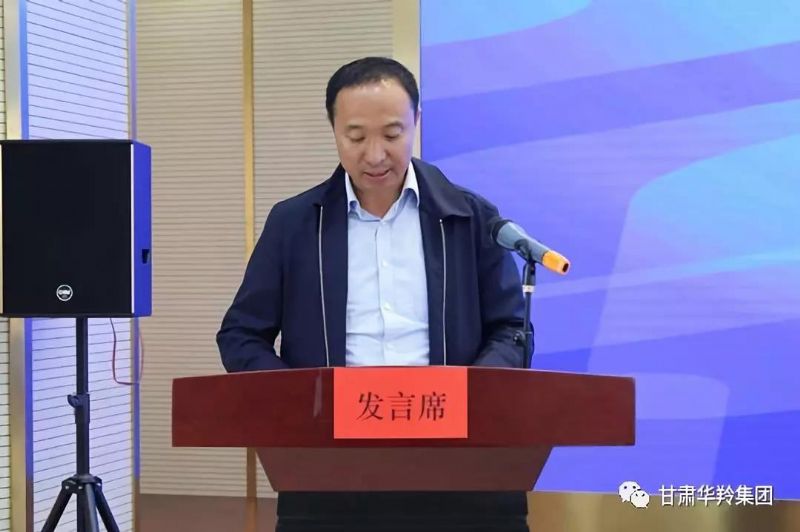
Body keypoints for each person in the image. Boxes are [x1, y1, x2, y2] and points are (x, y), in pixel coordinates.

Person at [217, 57, 531, 532]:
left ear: (416, 122)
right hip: (329, 469)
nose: (375, 155)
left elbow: (512, 327)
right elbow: (241, 334)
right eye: (356, 136)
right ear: (333, 129)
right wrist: (299, 400)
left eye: (392, 134)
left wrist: (473, 393)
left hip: (461, 466)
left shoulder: (470, 217)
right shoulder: (295, 223)